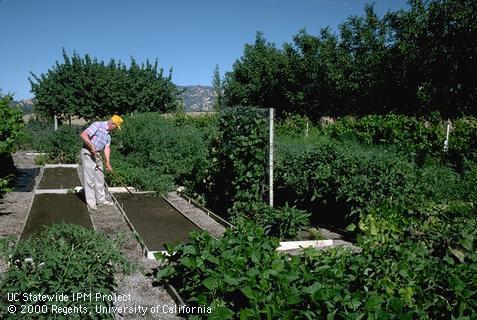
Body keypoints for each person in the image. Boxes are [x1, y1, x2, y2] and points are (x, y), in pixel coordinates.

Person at [80, 115, 123, 211]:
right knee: (89, 179)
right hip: (88, 152)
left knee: (99, 178)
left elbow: (107, 148)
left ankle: (101, 200)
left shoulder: (108, 135)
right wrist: (91, 146)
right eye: (116, 127)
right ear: (112, 124)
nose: (115, 129)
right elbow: (83, 135)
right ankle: (91, 202)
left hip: (97, 154)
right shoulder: (97, 125)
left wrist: (108, 163)